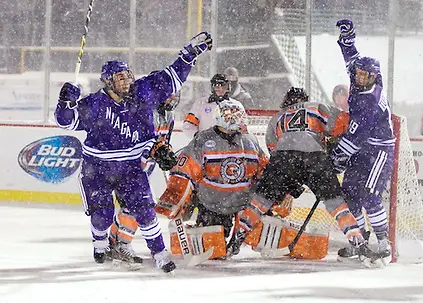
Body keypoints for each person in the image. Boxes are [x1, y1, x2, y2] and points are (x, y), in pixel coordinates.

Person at [54, 32, 212, 273]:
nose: (126, 81)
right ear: (108, 82)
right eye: (120, 78)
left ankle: (160, 254)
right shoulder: (95, 104)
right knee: (103, 216)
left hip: (130, 167)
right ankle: (99, 242)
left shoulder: (143, 91)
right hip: (96, 168)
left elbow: (173, 77)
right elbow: (66, 122)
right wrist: (65, 102)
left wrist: (188, 54)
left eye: (128, 75)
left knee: (146, 212)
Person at [233, 86, 378, 262]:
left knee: (261, 200)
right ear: (305, 99)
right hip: (314, 157)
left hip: (284, 158)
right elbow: (344, 124)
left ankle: (238, 237)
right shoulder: (316, 107)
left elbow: (273, 148)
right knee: (336, 204)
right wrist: (331, 144)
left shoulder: (278, 117)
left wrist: (289, 179)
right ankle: (358, 242)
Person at [155, 99, 269, 259]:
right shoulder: (203, 139)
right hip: (211, 204)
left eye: (237, 114)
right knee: (214, 249)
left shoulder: (250, 141)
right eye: (229, 115)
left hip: (241, 206)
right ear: (220, 116)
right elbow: (184, 171)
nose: (233, 119)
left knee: (263, 219)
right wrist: (175, 199)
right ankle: (205, 231)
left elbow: (265, 173)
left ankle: (247, 234)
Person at [328, 19, 395, 264]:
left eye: (365, 75)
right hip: (363, 148)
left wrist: (335, 159)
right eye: (358, 74)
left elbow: (354, 139)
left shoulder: (370, 100)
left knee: (369, 195)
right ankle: (359, 242)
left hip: (378, 150)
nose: (359, 78)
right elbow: (351, 60)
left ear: (374, 77)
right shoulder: (360, 77)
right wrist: (348, 40)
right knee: (350, 194)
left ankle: (383, 244)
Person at [108, 93, 180, 265]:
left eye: (174, 96)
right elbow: (133, 141)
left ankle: (113, 242)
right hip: (127, 165)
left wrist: (165, 153)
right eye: (168, 95)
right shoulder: (143, 112)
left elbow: (164, 140)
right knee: (135, 206)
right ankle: (123, 245)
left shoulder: (169, 115)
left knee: (130, 205)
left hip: (145, 167)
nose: (172, 99)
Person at [183, 73, 236, 139]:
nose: (221, 90)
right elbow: (189, 124)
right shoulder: (201, 104)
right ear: (212, 88)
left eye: (224, 87)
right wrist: (196, 136)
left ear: (228, 88)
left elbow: (242, 126)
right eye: (217, 87)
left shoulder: (235, 105)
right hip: (205, 145)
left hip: (228, 146)